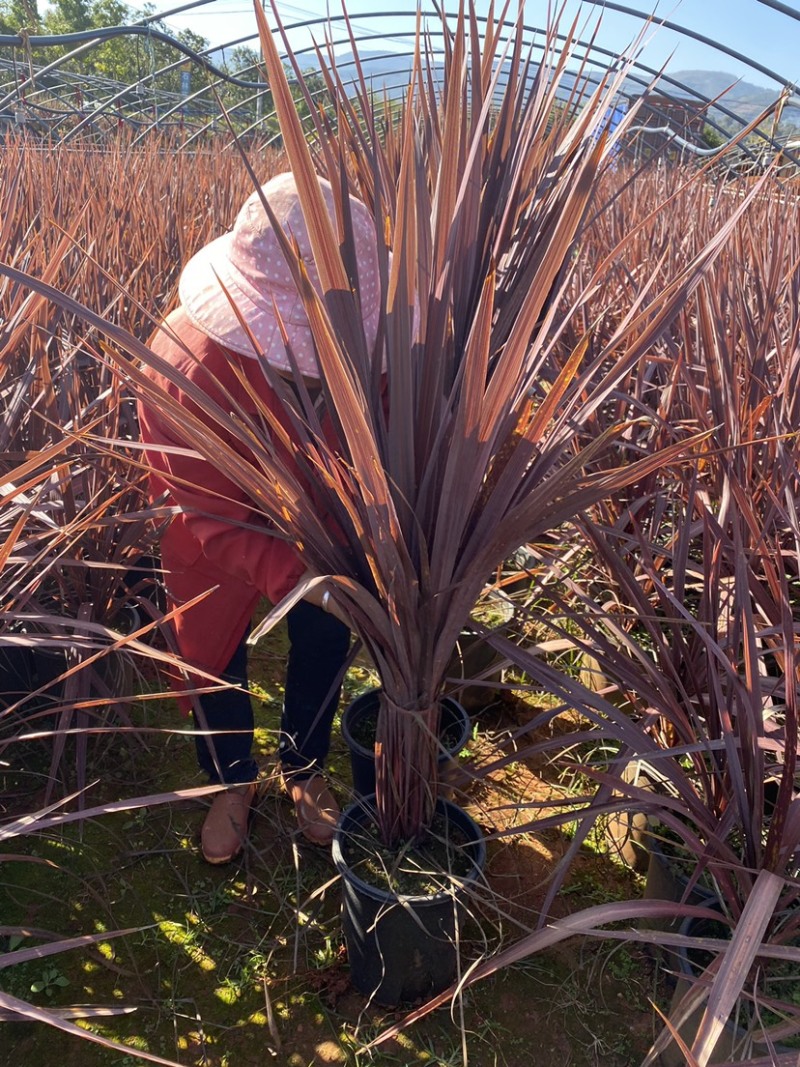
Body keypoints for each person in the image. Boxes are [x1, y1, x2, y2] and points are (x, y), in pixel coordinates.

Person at [137, 171, 382, 863]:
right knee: (210, 648)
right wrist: (299, 577)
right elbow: (208, 515)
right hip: (215, 531)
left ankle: (304, 764)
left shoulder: (374, 345)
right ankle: (231, 780)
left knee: (325, 637)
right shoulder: (185, 365)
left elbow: (389, 431)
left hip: (325, 515)